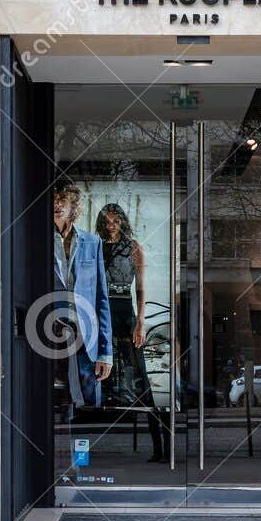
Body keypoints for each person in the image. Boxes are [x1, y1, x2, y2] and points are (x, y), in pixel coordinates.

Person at [96, 203, 167, 463]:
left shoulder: (133, 247)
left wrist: (140, 321)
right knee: (98, 368)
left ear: (122, 222)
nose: (111, 225)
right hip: (101, 309)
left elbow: (141, 288)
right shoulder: (96, 246)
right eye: (107, 221)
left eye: (115, 221)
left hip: (125, 309)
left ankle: (160, 447)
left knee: (141, 375)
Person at [53, 182, 112, 410]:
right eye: (54, 200)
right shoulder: (38, 240)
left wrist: (106, 354)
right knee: (56, 402)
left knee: (90, 402)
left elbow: (101, 299)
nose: (58, 204)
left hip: (87, 335)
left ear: (72, 205)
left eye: (63, 199)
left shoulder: (92, 242)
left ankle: (87, 446)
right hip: (51, 330)